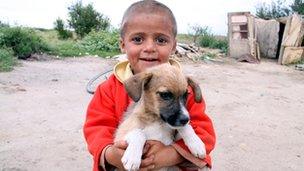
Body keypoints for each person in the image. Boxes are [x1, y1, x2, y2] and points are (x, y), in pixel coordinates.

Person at [83, 0, 216, 170]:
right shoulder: (107, 89)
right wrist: (112, 155)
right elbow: (96, 129)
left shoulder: (183, 87)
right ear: (123, 44)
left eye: (161, 40)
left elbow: (204, 133)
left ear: (173, 46)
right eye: (138, 39)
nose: (150, 47)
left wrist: (170, 155)